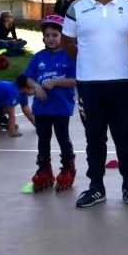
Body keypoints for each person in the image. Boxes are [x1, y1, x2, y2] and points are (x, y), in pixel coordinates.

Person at [63, 0, 128, 208]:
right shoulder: (77, 8)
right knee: (94, 138)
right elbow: (67, 42)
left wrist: (118, 60)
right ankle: (96, 187)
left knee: (124, 137)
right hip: (89, 85)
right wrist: (88, 61)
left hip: (121, 83)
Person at [25, 15, 77, 193]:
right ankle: (44, 169)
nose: (51, 39)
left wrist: (55, 82)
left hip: (60, 107)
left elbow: (76, 80)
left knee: (63, 138)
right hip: (41, 108)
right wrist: (37, 87)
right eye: (47, 35)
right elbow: (28, 77)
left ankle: (68, 168)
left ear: (62, 36)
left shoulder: (69, 56)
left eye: (55, 35)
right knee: (43, 138)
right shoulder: (39, 57)